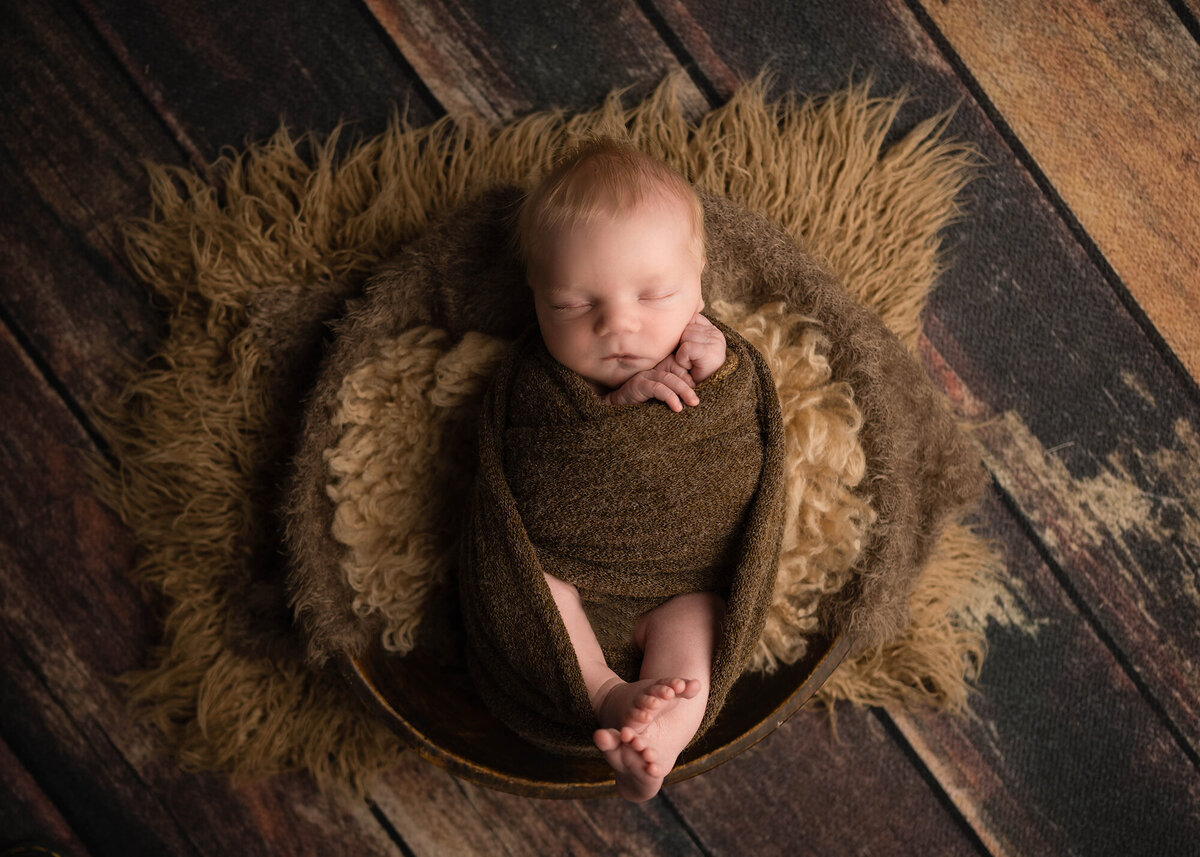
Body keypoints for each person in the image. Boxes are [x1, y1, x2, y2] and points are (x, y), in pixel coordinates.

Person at [513, 137, 730, 801]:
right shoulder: (534, 381)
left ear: (698, 282)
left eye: (656, 294)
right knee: (533, 587)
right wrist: (614, 409)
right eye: (576, 306)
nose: (619, 325)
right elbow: (527, 456)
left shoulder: (711, 344)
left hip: (677, 572)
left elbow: (736, 423)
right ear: (535, 298)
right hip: (571, 566)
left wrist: (718, 359)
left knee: (701, 617)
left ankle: (664, 736)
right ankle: (606, 692)